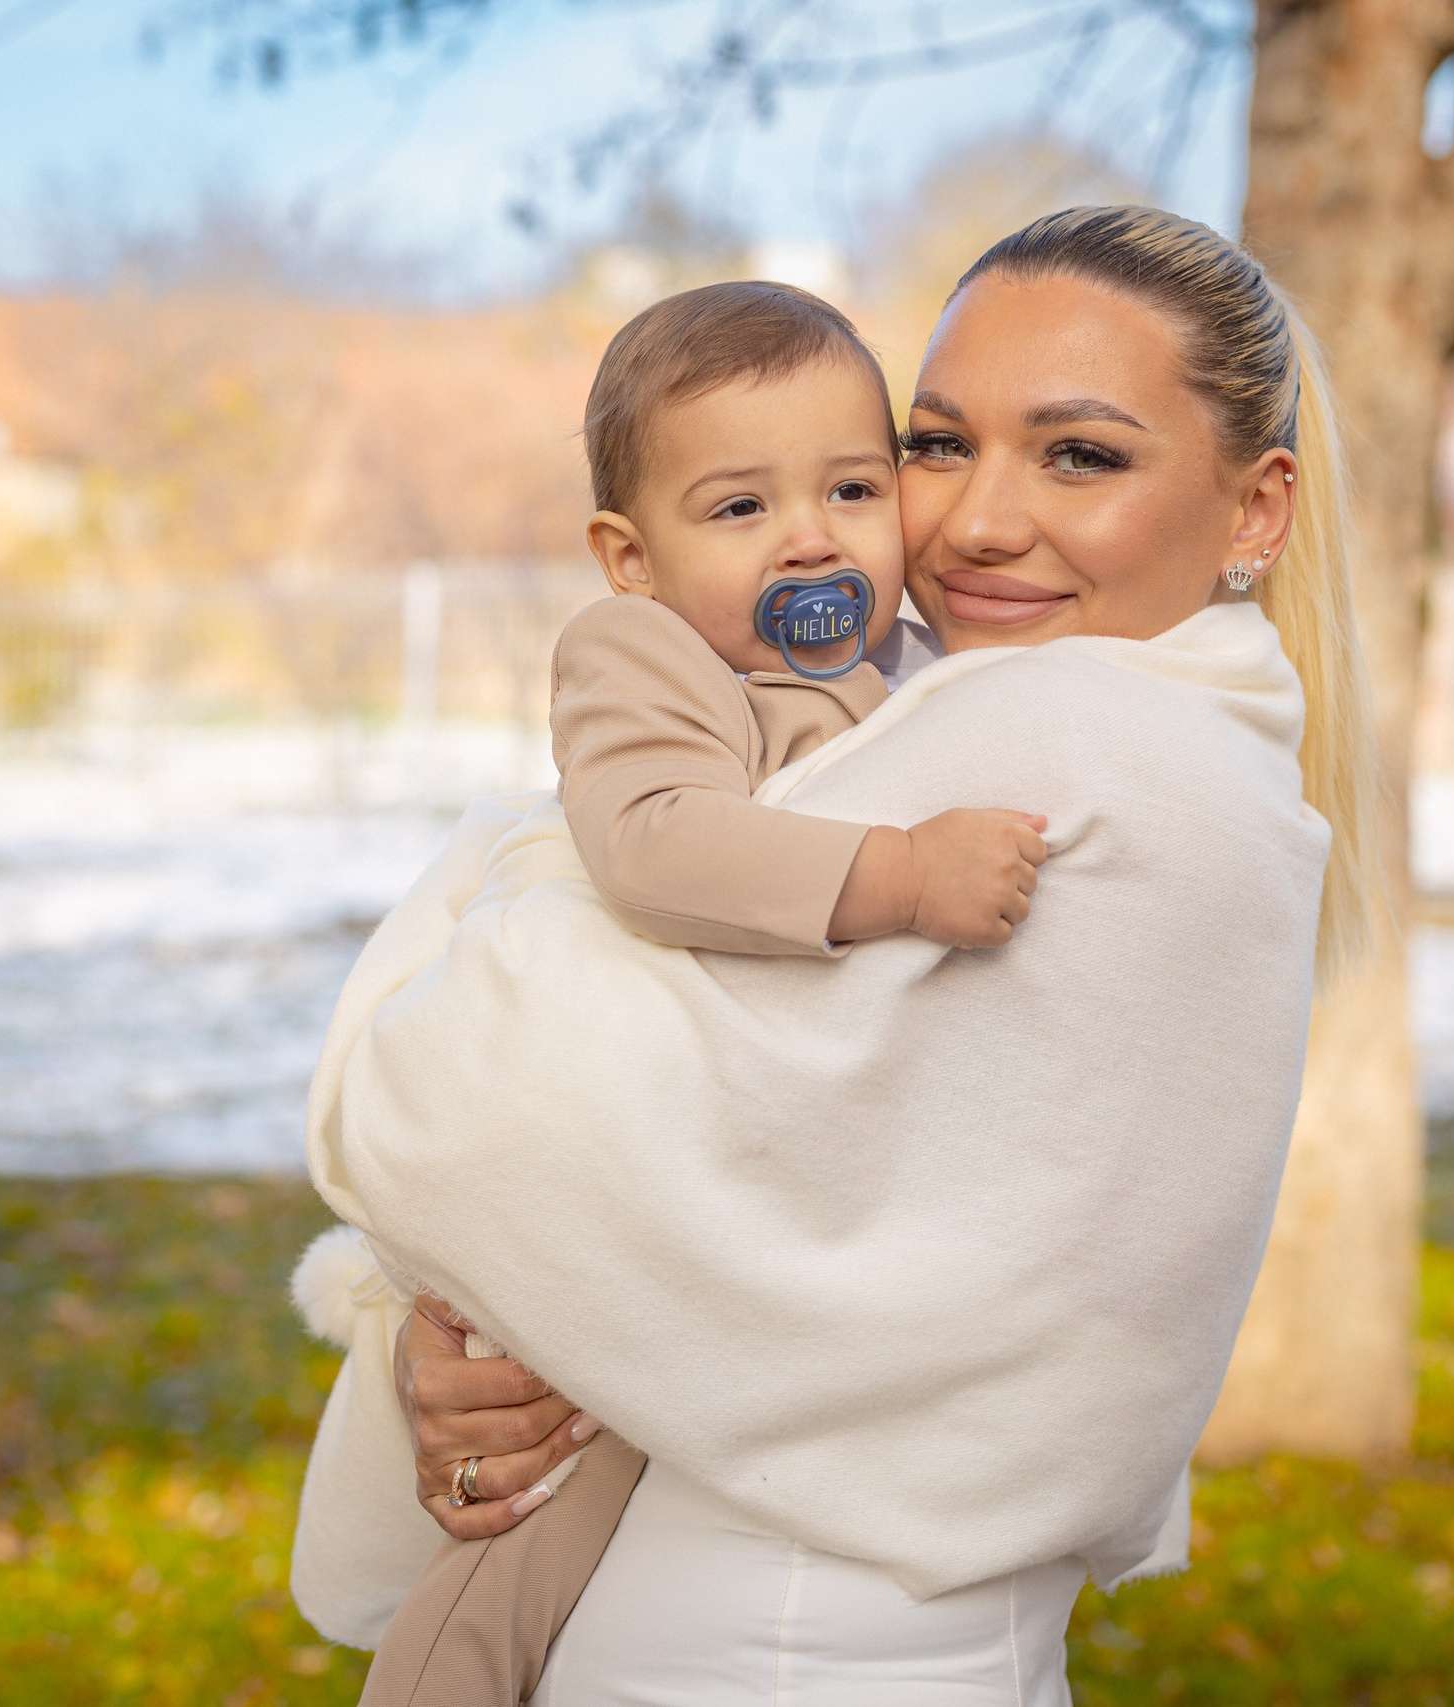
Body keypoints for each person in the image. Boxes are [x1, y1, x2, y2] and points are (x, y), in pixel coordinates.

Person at [310, 203, 1381, 1703]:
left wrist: (509, 907)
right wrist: (477, 1341)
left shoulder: (1077, 745)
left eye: (1080, 455)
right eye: (937, 445)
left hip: (769, 1649)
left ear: (1257, 509)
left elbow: (455, 1097)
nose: (978, 521)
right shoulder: (1058, 728)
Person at [351, 278, 1056, 1703]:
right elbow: (655, 846)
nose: (812, 537)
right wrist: (902, 874)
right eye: (740, 507)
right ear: (632, 556)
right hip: (612, 1189)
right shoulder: (644, 653)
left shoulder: (904, 661)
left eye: (853, 488)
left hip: (748, 1208)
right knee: (533, 1523)